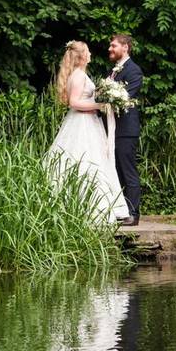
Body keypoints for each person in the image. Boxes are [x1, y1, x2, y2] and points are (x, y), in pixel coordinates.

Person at [43, 40, 130, 225]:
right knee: (86, 161)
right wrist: (100, 105)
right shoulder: (79, 76)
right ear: (82, 56)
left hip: (87, 121)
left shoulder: (78, 74)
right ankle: (89, 208)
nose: (91, 54)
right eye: (88, 51)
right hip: (82, 123)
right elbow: (74, 103)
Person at [104, 34, 143, 226]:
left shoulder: (134, 71)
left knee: (128, 172)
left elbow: (125, 98)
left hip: (126, 130)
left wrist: (107, 96)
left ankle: (133, 214)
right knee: (117, 171)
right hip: (113, 129)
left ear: (125, 47)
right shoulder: (114, 70)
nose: (110, 49)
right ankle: (121, 211)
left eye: (113, 46)